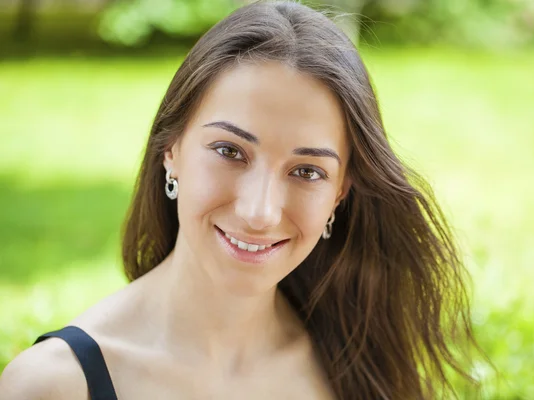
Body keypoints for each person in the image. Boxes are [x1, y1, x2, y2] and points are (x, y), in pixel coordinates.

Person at [0, 1, 483, 399]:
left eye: (307, 171)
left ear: (340, 193)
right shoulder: (55, 386)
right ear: (171, 150)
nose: (259, 212)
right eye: (230, 151)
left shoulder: (359, 363)